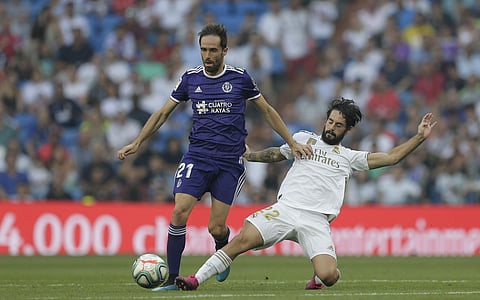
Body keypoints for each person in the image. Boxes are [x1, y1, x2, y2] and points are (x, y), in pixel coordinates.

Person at [117, 23, 311, 291]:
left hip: (229, 163)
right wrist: (138, 142)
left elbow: (267, 110)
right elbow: (163, 113)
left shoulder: (240, 78)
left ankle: (222, 249)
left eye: (212, 50)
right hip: (197, 157)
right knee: (179, 213)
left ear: (225, 51)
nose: (207, 56)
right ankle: (174, 279)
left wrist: (290, 142)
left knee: (216, 227)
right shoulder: (190, 79)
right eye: (203, 50)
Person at [174, 98, 437, 291]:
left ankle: (317, 280)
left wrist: (419, 137)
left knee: (330, 276)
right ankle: (196, 279)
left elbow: (391, 157)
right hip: (285, 209)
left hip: (316, 221)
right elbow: (277, 154)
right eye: (330, 121)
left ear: (347, 130)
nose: (331, 127)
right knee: (242, 239)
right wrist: (249, 155)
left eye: (338, 125)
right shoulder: (302, 139)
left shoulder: (349, 157)